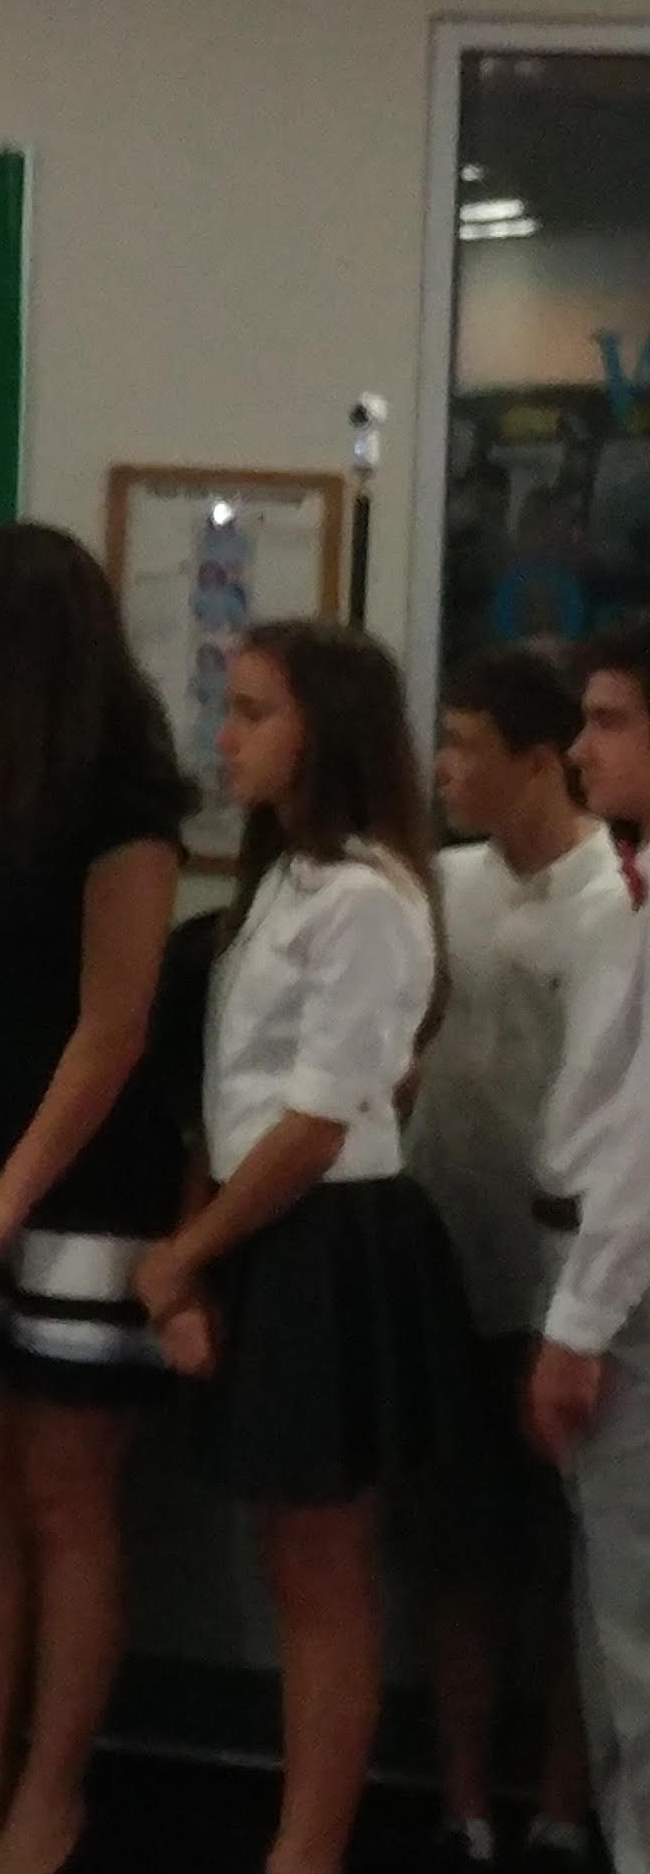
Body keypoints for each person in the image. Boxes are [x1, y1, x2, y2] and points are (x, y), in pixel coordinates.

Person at [0, 523, 193, 1874]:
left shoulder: (122, 787)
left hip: (87, 1172)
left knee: (66, 1495)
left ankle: (49, 1795)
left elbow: (113, 1024)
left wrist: (7, 1197)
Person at [139, 620, 469, 1874]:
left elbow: (313, 1125)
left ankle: (306, 1849)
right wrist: (195, 1250)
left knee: (322, 1569)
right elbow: (225, 1100)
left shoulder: (367, 896)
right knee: (289, 1560)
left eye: (253, 713)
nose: (224, 737)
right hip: (262, 1222)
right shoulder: (283, 877)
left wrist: (185, 1253)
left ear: (322, 732)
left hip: (325, 1234)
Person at [413, 642, 626, 1862]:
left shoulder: (614, 899)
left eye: (464, 747)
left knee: (571, 1556)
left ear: (540, 760)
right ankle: (458, 1803)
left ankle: (559, 1802)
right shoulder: (437, 886)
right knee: (458, 1549)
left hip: (566, 1275)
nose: (442, 769)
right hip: (449, 1256)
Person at [520, 625, 650, 1874]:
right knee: (608, 1627)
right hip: (592, 1267)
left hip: (628, 1293)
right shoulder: (622, 890)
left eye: (608, 721)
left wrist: (576, 1325)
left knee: (636, 1641)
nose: (576, 748)